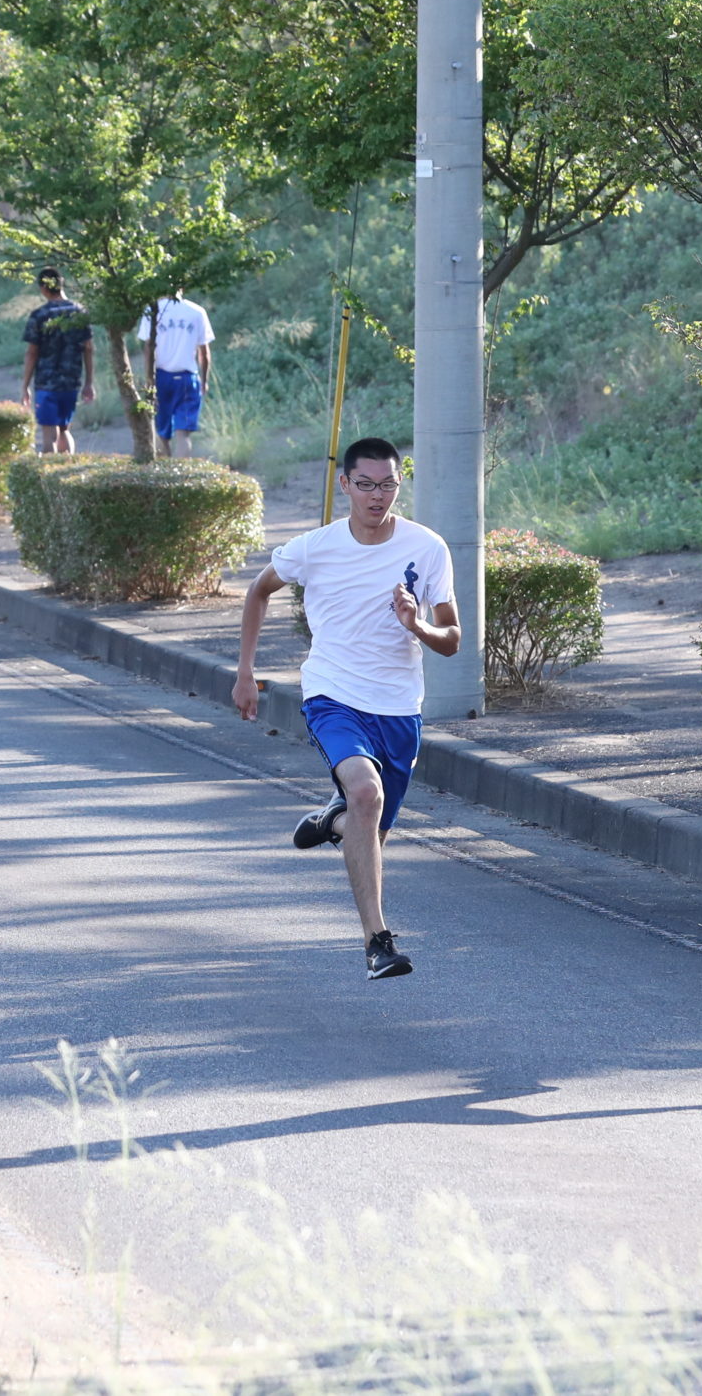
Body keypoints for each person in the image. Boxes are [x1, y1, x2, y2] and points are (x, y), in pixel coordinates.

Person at [233, 439, 459, 981]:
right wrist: (245, 672)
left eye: (388, 485)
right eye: (366, 485)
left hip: (399, 708)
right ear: (345, 485)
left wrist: (417, 625)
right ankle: (378, 944)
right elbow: (258, 592)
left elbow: (451, 639)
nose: (377, 496)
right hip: (332, 694)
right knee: (366, 793)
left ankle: (332, 819)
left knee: (368, 833)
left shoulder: (427, 548)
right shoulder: (315, 547)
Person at [19, 266, 95, 452]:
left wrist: (25, 386)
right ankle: (67, 472)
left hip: (47, 383)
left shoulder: (39, 316)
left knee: (48, 435)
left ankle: (49, 475)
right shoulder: (79, 312)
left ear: (43, 289)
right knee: (64, 429)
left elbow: (32, 353)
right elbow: (89, 348)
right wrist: (89, 382)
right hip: (71, 381)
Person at [134, 290, 215, 457]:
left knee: (161, 431)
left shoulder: (153, 311)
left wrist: (149, 379)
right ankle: (180, 474)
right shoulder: (197, 311)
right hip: (187, 377)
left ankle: (165, 473)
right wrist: (204, 380)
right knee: (183, 433)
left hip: (161, 376)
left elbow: (148, 348)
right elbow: (204, 353)